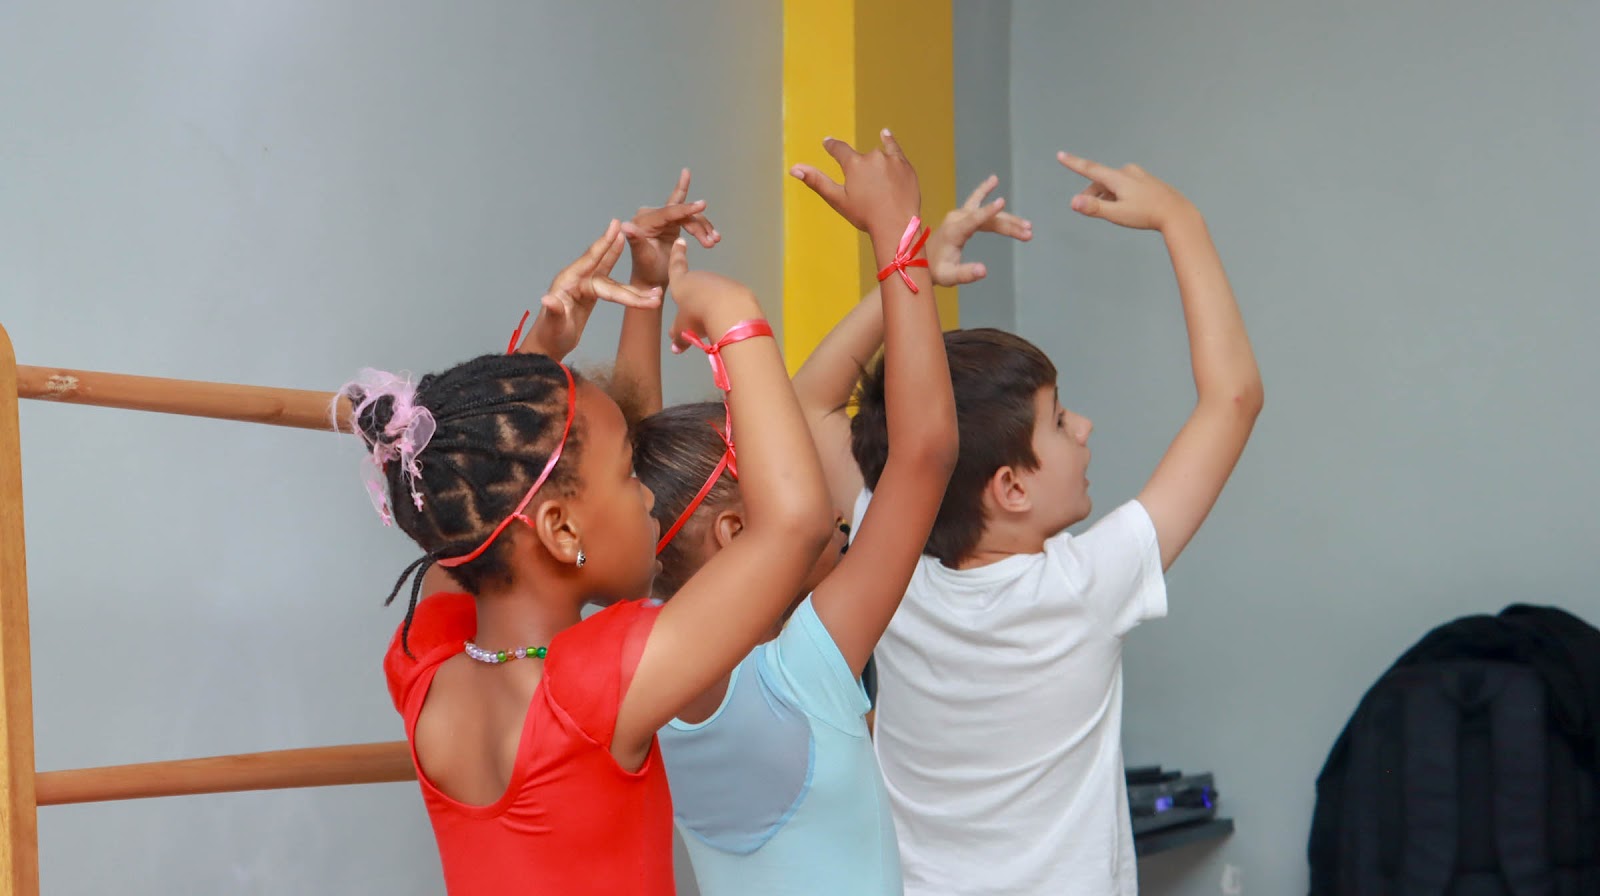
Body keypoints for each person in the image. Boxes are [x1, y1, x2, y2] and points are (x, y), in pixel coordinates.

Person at [340, 205, 831, 893]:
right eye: (630, 473)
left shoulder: (426, 669)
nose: (648, 498)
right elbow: (797, 524)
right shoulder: (599, 679)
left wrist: (539, 353)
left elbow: (478, 517)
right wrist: (731, 311)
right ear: (561, 529)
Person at [849, 152, 1264, 895]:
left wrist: (907, 271)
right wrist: (1182, 220)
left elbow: (818, 408)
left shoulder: (889, 577)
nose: (1085, 428)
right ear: (1009, 487)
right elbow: (1232, 400)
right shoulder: (1085, 586)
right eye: (1061, 421)